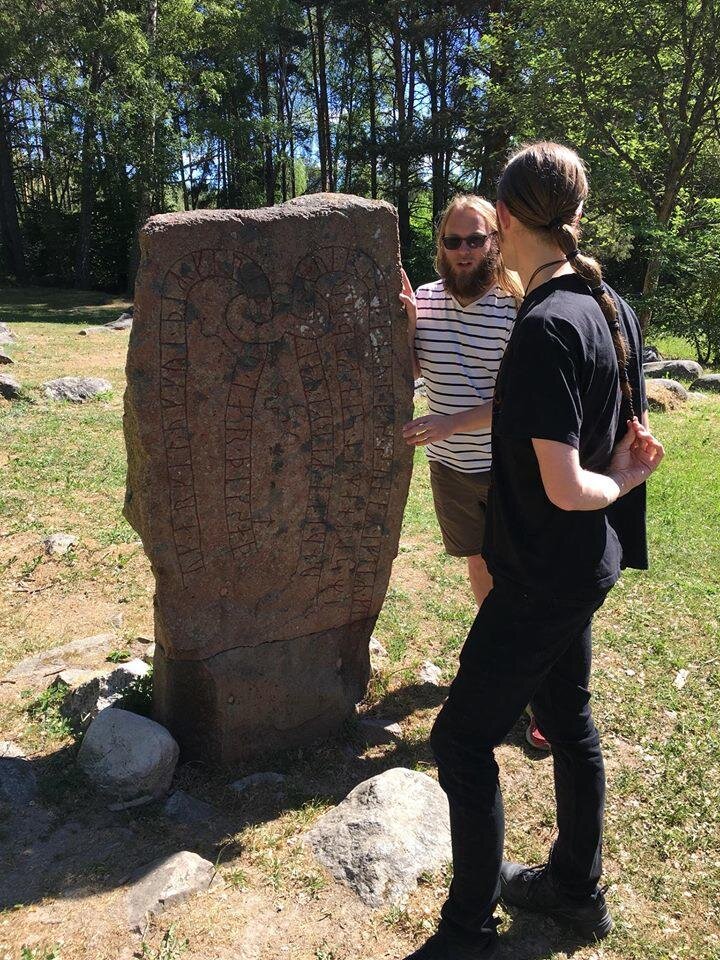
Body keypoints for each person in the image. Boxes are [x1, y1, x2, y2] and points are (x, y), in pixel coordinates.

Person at [405, 142, 664, 960]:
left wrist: (619, 481)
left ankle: (468, 928)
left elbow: (567, 483)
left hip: (542, 572)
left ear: (507, 220)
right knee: (568, 719)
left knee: (459, 739)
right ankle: (574, 890)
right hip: (584, 564)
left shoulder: (549, 325)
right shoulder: (606, 301)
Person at [400, 195, 550, 751]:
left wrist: (448, 421)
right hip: (452, 470)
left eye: (475, 239)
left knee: (528, 582)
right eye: (452, 241)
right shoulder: (429, 299)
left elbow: (522, 399)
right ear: (441, 245)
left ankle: (542, 695)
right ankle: (498, 664)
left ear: (495, 240)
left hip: (513, 468)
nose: (463, 251)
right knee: (479, 566)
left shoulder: (520, 305)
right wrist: (410, 322)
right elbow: (413, 367)